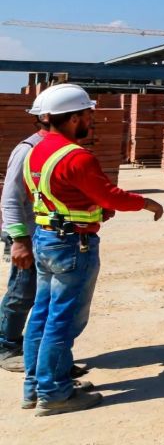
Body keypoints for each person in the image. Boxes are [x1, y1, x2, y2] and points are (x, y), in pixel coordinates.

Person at [23, 84, 164, 415]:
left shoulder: (37, 151)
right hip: (73, 245)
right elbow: (110, 196)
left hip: (45, 239)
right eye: (87, 115)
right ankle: (54, 393)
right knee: (63, 321)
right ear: (73, 118)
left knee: (41, 316)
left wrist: (90, 208)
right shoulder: (77, 157)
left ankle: (35, 386)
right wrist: (146, 202)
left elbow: (59, 195)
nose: (91, 120)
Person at [0, 92, 51, 372]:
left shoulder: (60, 147)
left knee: (45, 294)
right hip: (25, 233)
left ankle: (36, 349)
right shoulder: (27, 149)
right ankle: (6, 345)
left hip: (47, 235)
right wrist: (19, 240)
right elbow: (9, 198)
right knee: (22, 291)